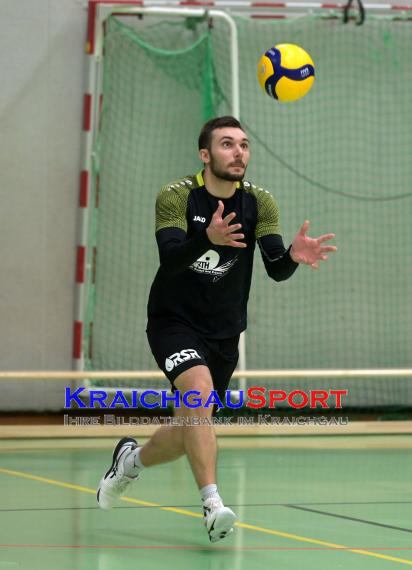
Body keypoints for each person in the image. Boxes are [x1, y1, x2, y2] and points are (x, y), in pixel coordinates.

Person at [97, 115, 337, 542]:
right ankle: (212, 505)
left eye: (244, 144)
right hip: (173, 321)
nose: (239, 152)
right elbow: (170, 259)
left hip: (224, 332)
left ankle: (129, 463)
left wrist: (294, 259)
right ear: (205, 155)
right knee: (199, 394)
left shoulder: (260, 202)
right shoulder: (176, 197)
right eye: (227, 144)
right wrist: (207, 236)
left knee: (192, 421)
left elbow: (276, 269)